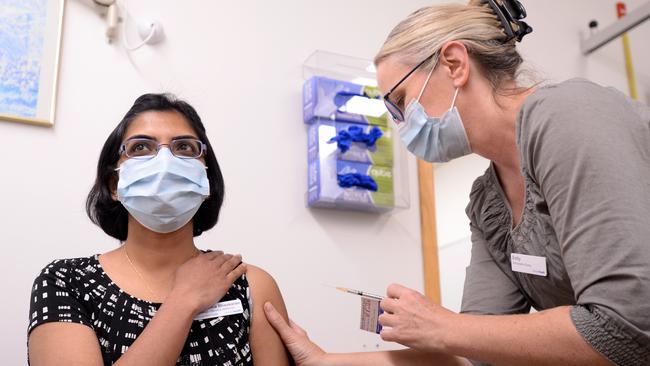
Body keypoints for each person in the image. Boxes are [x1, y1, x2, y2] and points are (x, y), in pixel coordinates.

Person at [263, 0, 650, 365]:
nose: (401, 124)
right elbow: (475, 352)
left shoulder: (568, 117)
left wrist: (439, 325)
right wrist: (326, 361)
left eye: (401, 101)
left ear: (454, 64)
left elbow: (626, 326)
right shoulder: (487, 202)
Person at [27, 93, 291, 365]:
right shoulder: (66, 282)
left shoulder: (250, 285)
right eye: (141, 147)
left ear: (205, 181)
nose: (165, 163)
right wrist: (183, 300)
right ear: (114, 185)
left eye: (184, 148)